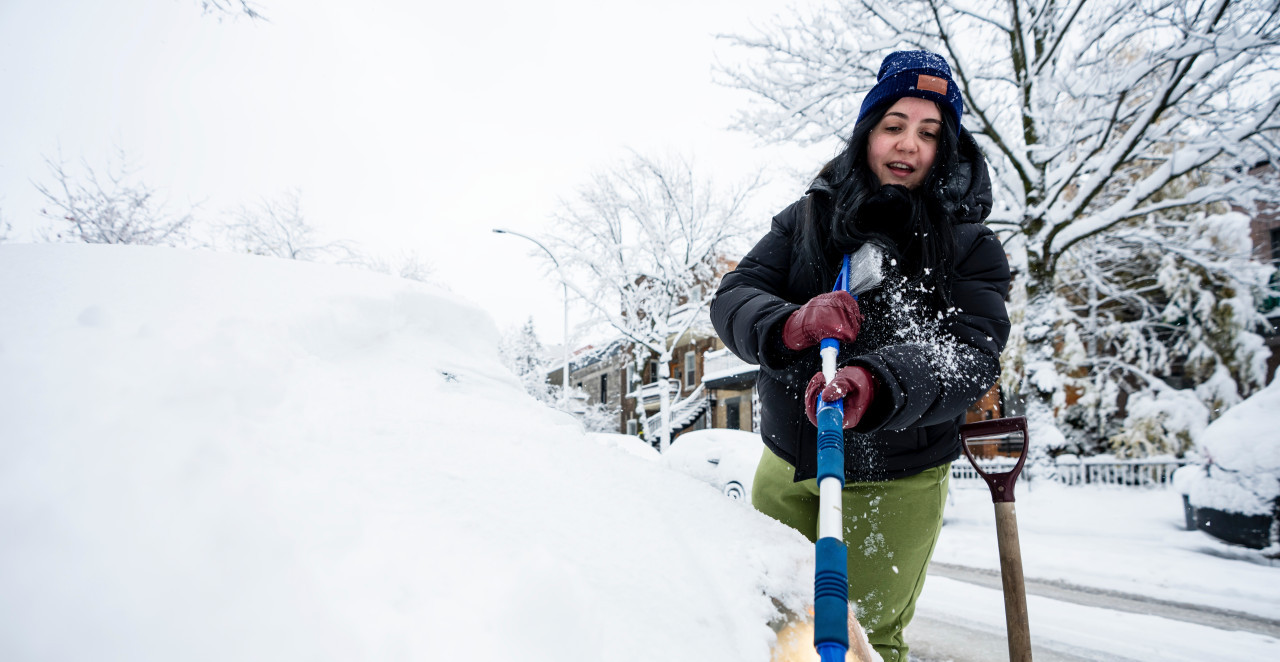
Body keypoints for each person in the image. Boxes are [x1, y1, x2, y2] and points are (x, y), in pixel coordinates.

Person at [710, 51, 1011, 662]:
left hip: (896, 480)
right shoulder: (808, 220)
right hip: (790, 464)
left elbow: (970, 355)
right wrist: (790, 323)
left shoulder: (970, 247)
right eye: (894, 125)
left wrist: (877, 381)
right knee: (772, 633)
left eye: (930, 133)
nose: (908, 145)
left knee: (862, 643)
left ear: (946, 148)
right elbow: (735, 296)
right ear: (868, 132)